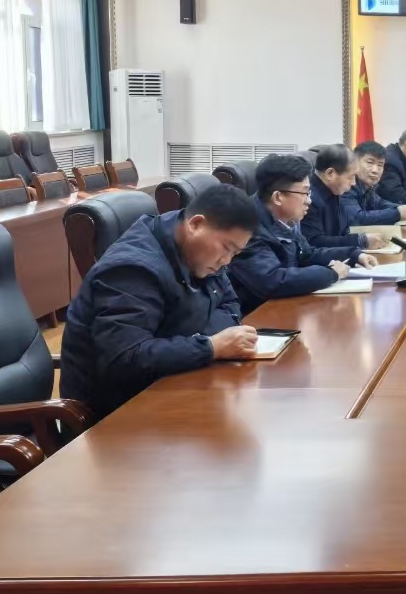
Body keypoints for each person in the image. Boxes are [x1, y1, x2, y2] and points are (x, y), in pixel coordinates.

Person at [60, 185, 261, 418]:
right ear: (196, 224)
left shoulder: (199, 252)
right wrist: (210, 346)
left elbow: (230, 305)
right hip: (117, 413)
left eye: (235, 253)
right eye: (227, 248)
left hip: (174, 383)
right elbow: (125, 358)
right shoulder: (132, 268)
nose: (226, 261)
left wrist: (189, 342)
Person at [229, 153, 376, 314]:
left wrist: (353, 254)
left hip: (287, 305)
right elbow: (272, 281)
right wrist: (331, 273)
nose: (309, 201)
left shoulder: (287, 218)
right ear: (278, 197)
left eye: (309, 193)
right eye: (304, 193)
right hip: (258, 316)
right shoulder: (247, 226)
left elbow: (306, 254)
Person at [301, 144, 384, 253]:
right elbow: (314, 242)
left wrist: (364, 236)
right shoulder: (308, 199)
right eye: (351, 177)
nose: (354, 183)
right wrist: (360, 240)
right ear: (330, 174)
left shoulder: (334, 191)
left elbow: (342, 230)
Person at [342, 141, 406, 228]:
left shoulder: (367, 185)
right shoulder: (347, 185)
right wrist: (397, 213)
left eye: (380, 165)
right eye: (370, 163)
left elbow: (379, 203)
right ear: (354, 163)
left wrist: (402, 208)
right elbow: (356, 218)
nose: (375, 170)